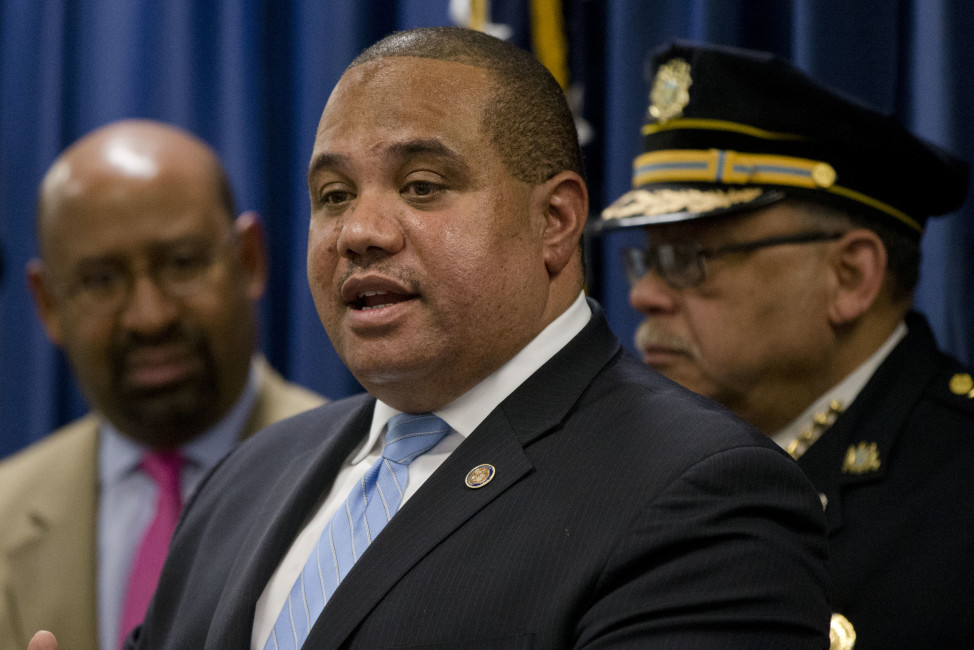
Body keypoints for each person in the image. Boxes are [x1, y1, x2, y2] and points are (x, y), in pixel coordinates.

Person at [33, 28, 832, 649]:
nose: (361, 232)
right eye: (334, 194)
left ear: (554, 222)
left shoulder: (701, 493)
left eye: (422, 186)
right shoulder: (251, 474)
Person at [595, 40, 973, 650]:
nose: (645, 296)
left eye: (689, 259)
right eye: (648, 258)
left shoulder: (955, 488)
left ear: (850, 278)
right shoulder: (614, 458)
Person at [0, 119, 325, 650]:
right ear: (49, 305)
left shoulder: (368, 484)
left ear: (249, 261)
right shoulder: (5, 509)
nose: (149, 317)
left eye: (182, 264)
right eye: (101, 280)